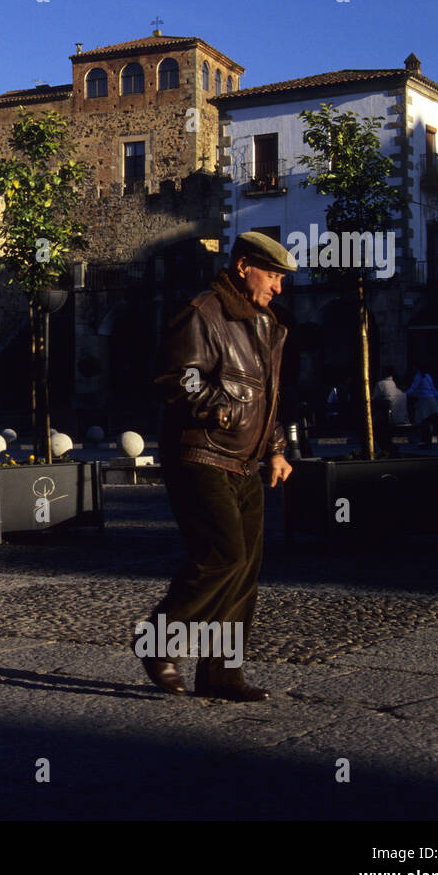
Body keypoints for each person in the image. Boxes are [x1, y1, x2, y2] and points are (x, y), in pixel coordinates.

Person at [144, 231, 295, 702]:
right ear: (244, 266)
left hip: (247, 462)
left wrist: (275, 448)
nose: (278, 288)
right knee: (223, 555)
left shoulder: (267, 324)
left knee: (244, 569)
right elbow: (176, 380)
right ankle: (158, 641)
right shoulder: (202, 313)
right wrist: (224, 410)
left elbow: (268, 395)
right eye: (272, 276)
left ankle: (222, 676)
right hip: (201, 455)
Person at [373, 365, 410, 453]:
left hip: (390, 419)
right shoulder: (400, 384)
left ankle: (387, 448)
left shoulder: (381, 384)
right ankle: (389, 446)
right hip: (403, 418)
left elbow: (373, 399)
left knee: (376, 427)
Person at [407, 366, 438, 448]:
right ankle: (426, 441)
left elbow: (413, 388)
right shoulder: (428, 376)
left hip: (424, 400)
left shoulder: (419, 377)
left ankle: (424, 441)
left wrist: (405, 393)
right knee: (428, 422)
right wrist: (437, 398)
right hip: (431, 400)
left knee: (423, 422)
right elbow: (433, 388)